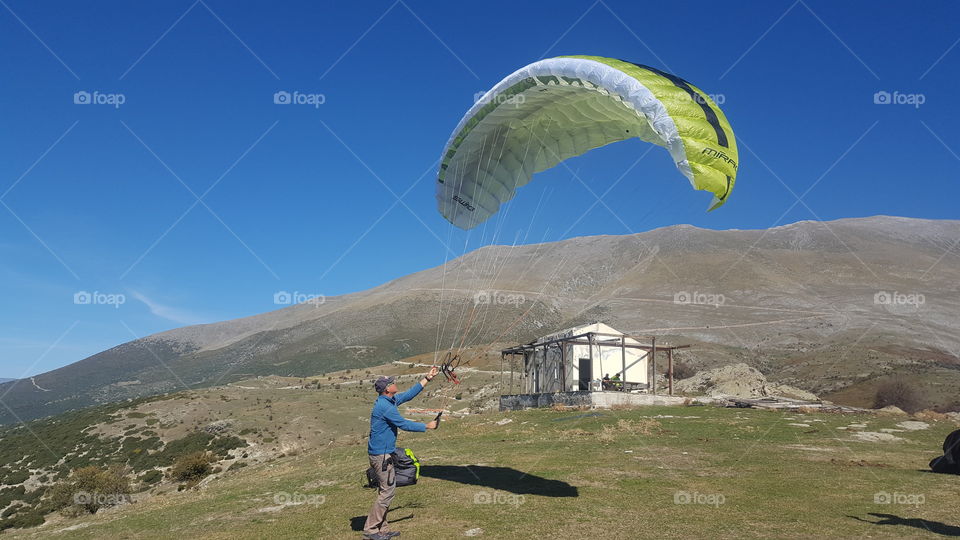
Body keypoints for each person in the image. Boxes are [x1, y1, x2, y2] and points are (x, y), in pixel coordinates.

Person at [363, 366, 440, 540]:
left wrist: (427, 378)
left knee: (386, 490)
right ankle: (370, 530)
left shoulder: (389, 400)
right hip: (381, 456)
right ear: (387, 389)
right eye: (392, 382)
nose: (394, 383)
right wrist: (427, 426)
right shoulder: (385, 407)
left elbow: (408, 395)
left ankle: (382, 528)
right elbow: (403, 424)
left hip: (382, 454)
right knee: (387, 492)